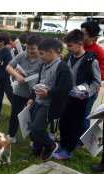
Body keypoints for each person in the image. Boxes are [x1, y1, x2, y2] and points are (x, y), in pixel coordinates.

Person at [52, 29, 101, 160]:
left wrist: (87, 93)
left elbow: (97, 82)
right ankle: (62, 146)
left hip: (80, 101)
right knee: (63, 124)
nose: (67, 49)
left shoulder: (91, 60)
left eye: (69, 46)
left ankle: (68, 150)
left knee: (74, 126)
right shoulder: (67, 57)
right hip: (65, 99)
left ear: (80, 44)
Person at [25, 38, 73, 161]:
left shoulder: (61, 67)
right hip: (38, 101)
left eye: (41, 53)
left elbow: (67, 87)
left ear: (51, 52)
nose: (39, 56)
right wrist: (32, 96)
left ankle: (50, 146)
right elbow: (39, 81)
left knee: (38, 128)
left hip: (49, 105)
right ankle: (36, 152)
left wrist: (49, 93)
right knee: (33, 129)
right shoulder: (43, 64)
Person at [6, 35, 42, 144]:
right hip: (20, 91)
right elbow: (8, 67)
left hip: (35, 93)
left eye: (33, 49)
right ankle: (11, 135)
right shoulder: (22, 55)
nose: (29, 51)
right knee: (15, 114)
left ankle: (33, 138)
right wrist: (16, 75)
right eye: (28, 48)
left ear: (39, 47)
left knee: (33, 116)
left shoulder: (42, 58)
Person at [78, 21, 104, 146]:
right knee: (74, 114)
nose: (81, 36)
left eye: (84, 34)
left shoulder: (98, 51)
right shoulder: (79, 46)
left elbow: (102, 73)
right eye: (80, 32)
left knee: (84, 116)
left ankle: (83, 141)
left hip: (90, 90)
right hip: (76, 87)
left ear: (92, 37)